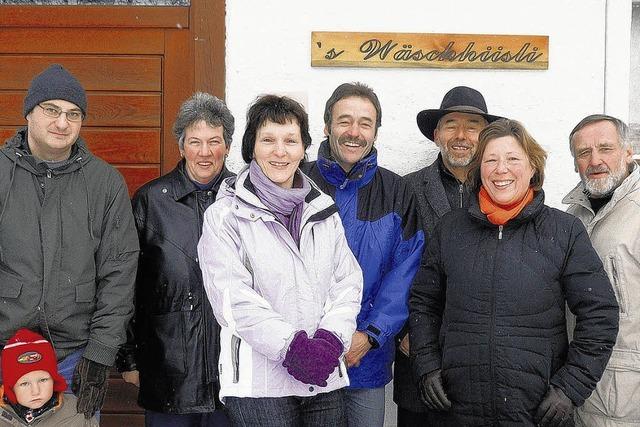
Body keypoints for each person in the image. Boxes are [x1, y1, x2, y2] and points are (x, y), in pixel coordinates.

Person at [409, 118, 619, 426]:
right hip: (457, 409)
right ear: (478, 170)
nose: (501, 169)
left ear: (533, 167)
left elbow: (600, 313)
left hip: (535, 412)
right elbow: (423, 303)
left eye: (513, 159)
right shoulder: (450, 230)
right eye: (490, 160)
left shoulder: (564, 231)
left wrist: (570, 387)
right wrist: (426, 365)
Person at [197, 94, 363, 426]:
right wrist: (292, 349)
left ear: (304, 149)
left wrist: (331, 341)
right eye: (268, 140)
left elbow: (347, 283)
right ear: (252, 148)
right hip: (261, 385)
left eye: (291, 140)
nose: (280, 151)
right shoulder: (225, 215)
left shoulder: (323, 210)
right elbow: (233, 299)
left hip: (323, 376)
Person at [0, 64, 139, 419]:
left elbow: (119, 273)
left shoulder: (104, 183)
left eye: (73, 114)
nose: (62, 123)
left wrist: (101, 352)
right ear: (29, 113)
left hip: (72, 357)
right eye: (51, 110)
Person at [303, 82, 424, 426]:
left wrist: (370, 335)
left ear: (376, 132)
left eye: (365, 123)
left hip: (365, 358)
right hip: (306, 353)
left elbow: (406, 270)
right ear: (326, 127)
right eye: (344, 121)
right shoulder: (297, 183)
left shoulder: (397, 192)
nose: (354, 132)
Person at [116, 92, 234, 426]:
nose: (205, 152)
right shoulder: (151, 201)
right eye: (195, 142)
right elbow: (126, 283)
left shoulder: (245, 198)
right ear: (181, 147)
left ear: (227, 145)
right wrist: (128, 357)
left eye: (215, 141)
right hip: (168, 369)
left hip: (233, 371)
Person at [397, 86, 502, 426]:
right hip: (416, 348)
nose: (461, 135)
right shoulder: (406, 189)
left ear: (485, 135)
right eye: (451, 124)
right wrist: (401, 331)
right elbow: (390, 267)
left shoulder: (503, 191)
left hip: (481, 354)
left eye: (472, 125)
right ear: (437, 133)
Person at [562, 114, 640, 427]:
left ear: (628, 151)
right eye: (584, 153)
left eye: (605, 148)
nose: (595, 160)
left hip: (627, 395)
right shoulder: (573, 216)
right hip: (580, 386)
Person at [0, 328, 98, 426]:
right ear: (11, 387)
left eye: (43, 380)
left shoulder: (77, 413)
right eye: (24, 383)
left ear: (54, 380)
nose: (36, 391)